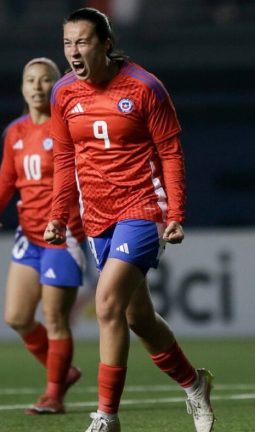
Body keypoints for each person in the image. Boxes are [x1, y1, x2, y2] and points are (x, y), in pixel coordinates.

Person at [44, 8, 215, 432]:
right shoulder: (63, 93)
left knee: (106, 305)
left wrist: (175, 214)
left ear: (105, 43)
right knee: (139, 319)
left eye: (82, 42)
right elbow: (65, 159)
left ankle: (107, 417)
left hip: (141, 207)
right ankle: (195, 385)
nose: (73, 52)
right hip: (96, 215)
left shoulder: (144, 87)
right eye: (67, 43)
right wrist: (58, 216)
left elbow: (171, 153)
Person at [0, 57, 86, 415]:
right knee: (16, 317)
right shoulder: (15, 131)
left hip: (63, 234)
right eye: (31, 80)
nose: (38, 86)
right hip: (28, 234)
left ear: (57, 87)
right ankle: (64, 372)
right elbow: (7, 177)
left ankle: (54, 395)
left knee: (55, 318)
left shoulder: (69, 128)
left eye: (46, 80)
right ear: (22, 87)